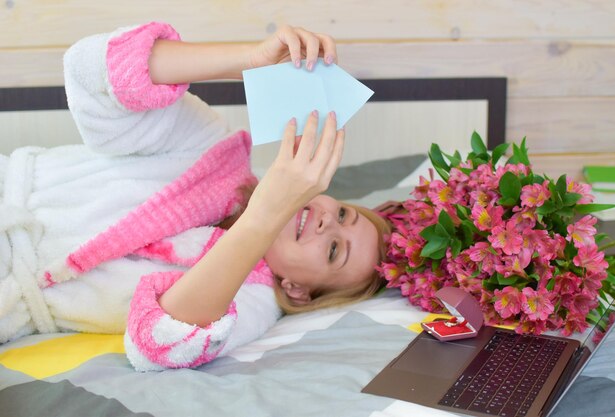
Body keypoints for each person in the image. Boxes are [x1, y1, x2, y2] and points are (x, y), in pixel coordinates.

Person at [0, 21, 390, 371]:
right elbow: (93, 72)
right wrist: (248, 61)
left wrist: (267, 215)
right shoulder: (213, 149)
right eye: (341, 215)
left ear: (298, 291)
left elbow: (162, 343)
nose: (326, 223)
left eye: (334, 250)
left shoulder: (250, 302)